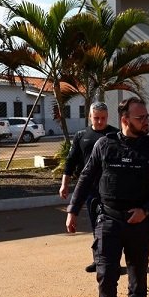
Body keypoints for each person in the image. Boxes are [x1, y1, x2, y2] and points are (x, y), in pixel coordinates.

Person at [65, 97, 149, 297]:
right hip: (109, 221)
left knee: (137, 276)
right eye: (140, 118)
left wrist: (145, 210)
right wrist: (72, 210)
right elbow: (86, 178)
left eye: (147, 117)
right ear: (125, 120)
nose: (146, 121)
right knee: (106, 275)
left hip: (138, 222)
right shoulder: (105, 145)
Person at [59, 102, 118, 273]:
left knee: (112, 227)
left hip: (111, 189)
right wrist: (65, 184)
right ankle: (98, 259)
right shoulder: (81, 136)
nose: (100, 122)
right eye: (96, 118)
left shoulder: (115, 134)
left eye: (103, 118)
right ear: (90, 117)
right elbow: (70, 162)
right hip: (91, 189)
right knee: (96, 225)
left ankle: (112, 261)